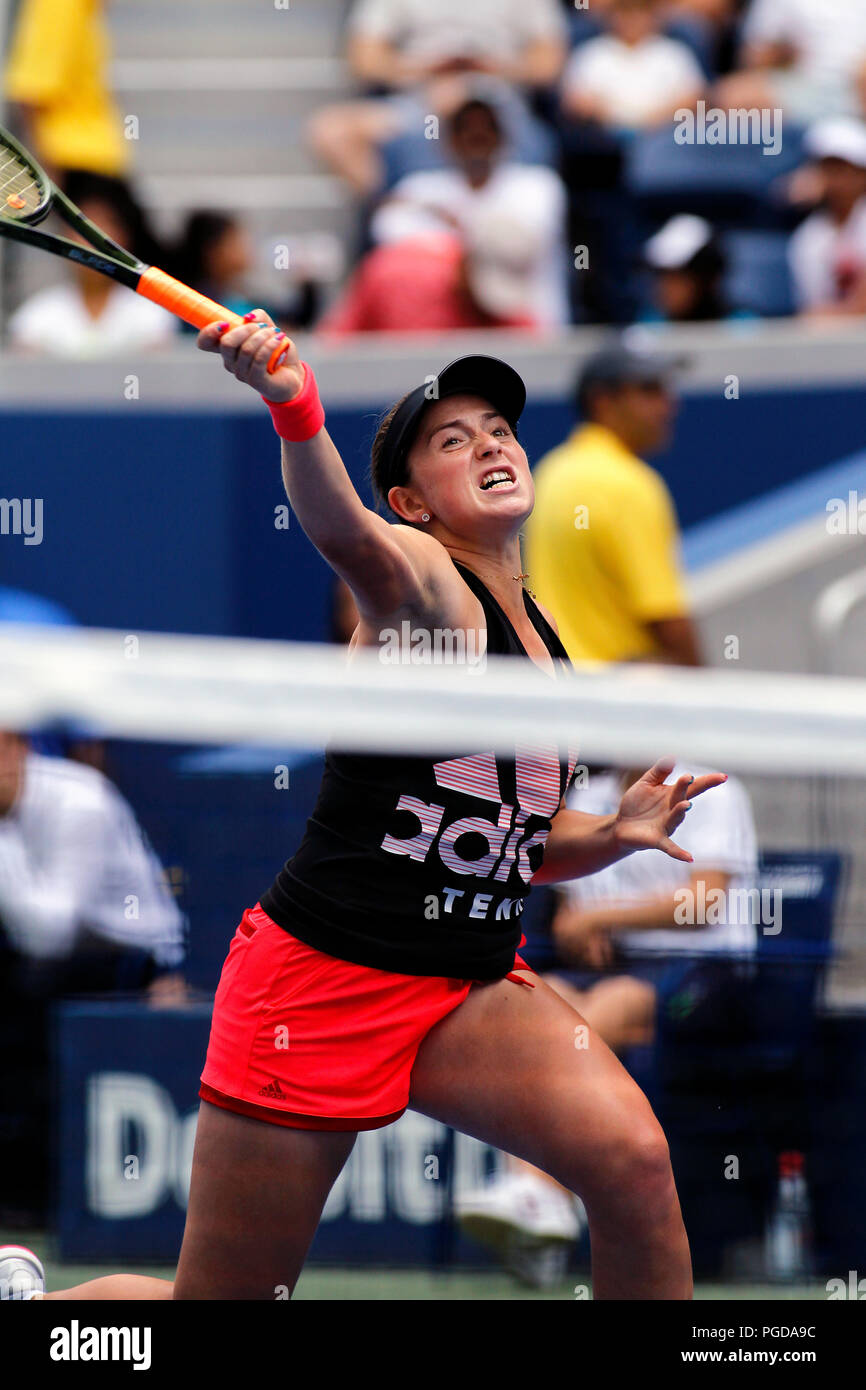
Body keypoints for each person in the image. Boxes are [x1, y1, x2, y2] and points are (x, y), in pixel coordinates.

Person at [1, 322, 726, 1301]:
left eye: (497, 428)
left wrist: (610, 835)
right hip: (321, 983)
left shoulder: (544, 640)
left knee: (632, 1164)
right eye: (453, 440)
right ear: (411, 502)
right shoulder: (424, 588)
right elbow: (347, 536)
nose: (490, 443)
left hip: (461, 982)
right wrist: (294, 407)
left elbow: (508, 843)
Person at [456, 760, 758, 1285]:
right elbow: (574, 900)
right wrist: (582, 928)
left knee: (607, 1006)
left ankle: (538, 1188)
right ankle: (542, 1201)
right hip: (613, 964)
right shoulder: (588, 793)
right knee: (548, 1001)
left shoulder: (711, 790)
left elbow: (704, 901)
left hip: (705, 980)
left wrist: (602, 917)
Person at [0, 730, 187, 1223]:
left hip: (131, 958)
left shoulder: (80, 801)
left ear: (19, 748)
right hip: (44, 955)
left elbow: (48, 934)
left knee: (28, 995)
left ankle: (33, 1193)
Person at [320, 96, 568, 333]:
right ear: (448, 140)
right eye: (465, 129)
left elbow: (525, 236)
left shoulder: (539, 186)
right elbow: (390, 229)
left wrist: (447, 219)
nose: (476, 136)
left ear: (503, 137)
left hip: (536, 330)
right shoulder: (419, 188)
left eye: (487, 129)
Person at [524, 345, 701, 667]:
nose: (669, 405)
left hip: (562, 688)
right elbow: (665, 619)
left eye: (666, 389)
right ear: (603, 401)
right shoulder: (629, 484)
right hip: (622, 697)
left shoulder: (551, 471)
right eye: (650, 390)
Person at [308, 0, 567, 197]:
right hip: (419, 105)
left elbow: (549, 65)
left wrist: (489, 68)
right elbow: (365, 61)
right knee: (333, 130)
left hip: (501, 106)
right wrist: (428, 69)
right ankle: (399, 212)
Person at [7, 173, 175, 357]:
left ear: (125, 236)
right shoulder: (35, 316)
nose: (91, 242)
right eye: (82, 229)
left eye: (105, 224)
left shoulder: (152, 316)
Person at [3, 0, 129, 180]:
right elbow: (31, 92)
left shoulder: (83, 9)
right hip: (74, 161)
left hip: (90, 159)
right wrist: (49, 174)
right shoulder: (61, 5)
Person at [561, 0, 705, 134]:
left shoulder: (674, 52)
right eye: (626, 13)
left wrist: (652, 122)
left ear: (653, 16)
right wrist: (613, 119)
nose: (632, 20)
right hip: (603, 137)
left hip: (662, 133)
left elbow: (694, 98)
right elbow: (575, 101)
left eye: (640, 13)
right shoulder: (591, 52)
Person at [715, 0, 866, 126]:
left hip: (857, 88)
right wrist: (781, 55)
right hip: (803, 84)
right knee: (733, 97)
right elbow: (755, 58)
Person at [787, 118, 866, 316]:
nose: (835, 181)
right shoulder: (808, 238)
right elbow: (814, 311)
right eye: (827, 169)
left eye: (844, 170)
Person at [640, 214, 740, 323]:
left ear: (709, 277)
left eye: (678, 276)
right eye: (661, 274)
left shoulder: (743, 329)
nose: (665, 287)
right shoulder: (647, 330)